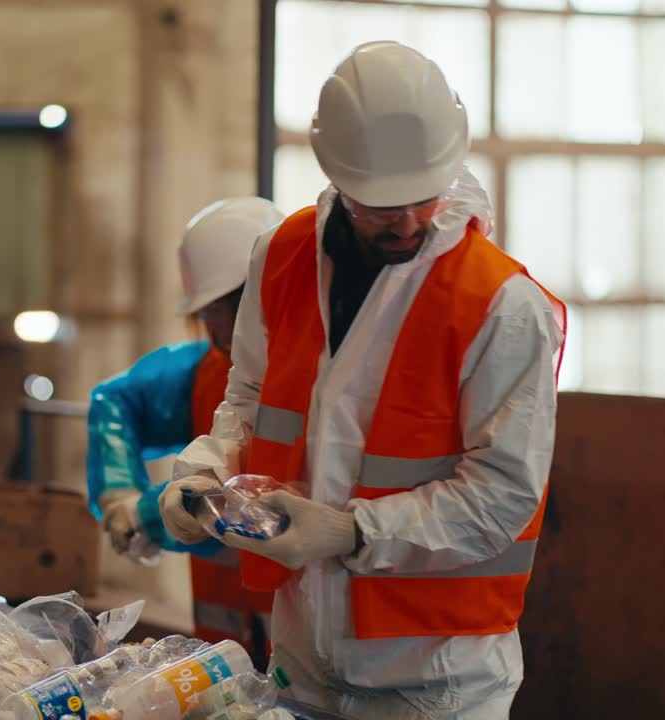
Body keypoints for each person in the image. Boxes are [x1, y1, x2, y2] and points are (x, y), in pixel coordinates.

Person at [159, 41, 567, 719]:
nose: (407, 220)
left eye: (422, 198)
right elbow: (251, 397)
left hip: (436, 683)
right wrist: (201, 470)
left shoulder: (503, 307)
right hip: (303, 660)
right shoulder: (282, 257)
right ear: (337, 178)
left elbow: (503, 494)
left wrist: (354, 531)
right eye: (380, 206)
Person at [87, 197, 285, 666]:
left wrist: (150, 515)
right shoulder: (207, 373)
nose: (207, 325)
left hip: (301, 648)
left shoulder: (321, 379)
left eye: (212, 310)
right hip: (226, 650)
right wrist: (118, 493)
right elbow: (117, 401)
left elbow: (248, 500)